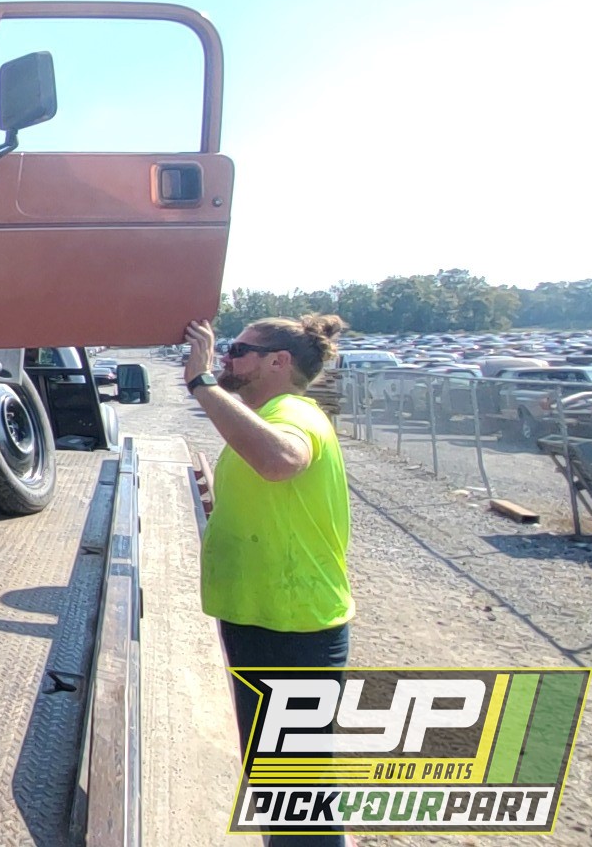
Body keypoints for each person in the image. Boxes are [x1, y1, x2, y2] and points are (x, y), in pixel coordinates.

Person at [185, 315, 351, 847]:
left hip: (294, 629)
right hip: (267, 618)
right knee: (278, 780)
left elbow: (281, 463)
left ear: (279, 362)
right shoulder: (266, 415)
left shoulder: (294, 412)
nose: (228, 358)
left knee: (295, 791)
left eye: (238, 349)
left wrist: (201, 380)